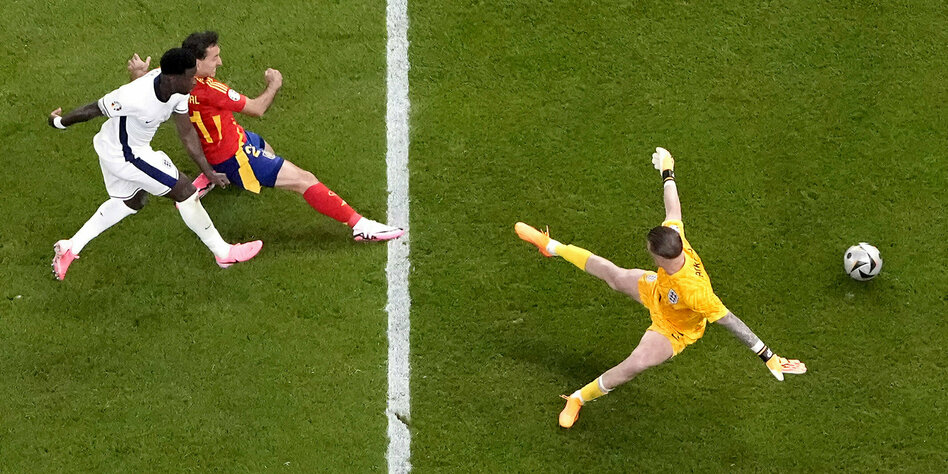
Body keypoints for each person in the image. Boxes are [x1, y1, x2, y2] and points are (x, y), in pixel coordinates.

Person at [515, 147, 806, 429]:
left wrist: (768, 355)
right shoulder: (676, 239)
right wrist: (668, 170)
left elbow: (730, 321)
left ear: (659, 258)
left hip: (674, 328)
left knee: (635, 364)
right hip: (657, 290)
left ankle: (577, 398)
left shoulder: (697, 293)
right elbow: (673, 207)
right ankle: (551, 246)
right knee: (613, 275)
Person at [128, 31, 404, 242]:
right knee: (304, 179)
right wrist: (273, 85)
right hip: (234, 156)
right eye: (214, 57)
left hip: (228, 140)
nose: (220, 61)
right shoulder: (211, 90)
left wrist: (138, 75)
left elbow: (145, 92)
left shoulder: (171, 78)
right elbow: (257, 109)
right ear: (197, 61)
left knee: (267, 149)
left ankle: (211, 176)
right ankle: (360, 225)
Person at [49, 48, 263, 280]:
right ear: (171, 78)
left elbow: (187, 134)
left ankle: (71, 247)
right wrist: (58, 122)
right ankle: (223, 253)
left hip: (118, 148)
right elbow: (93, 109)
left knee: (132, 201)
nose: (195, 81)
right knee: (185, 192)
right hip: (126, 155)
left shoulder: (180, 90)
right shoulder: (134, 96)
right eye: (190, 77)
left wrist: (208, 171)